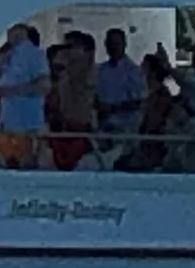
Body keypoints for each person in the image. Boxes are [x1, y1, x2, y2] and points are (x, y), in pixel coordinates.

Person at [0, 24, 51, 169]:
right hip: (7, 120)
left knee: (26, 163)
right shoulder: (7, 56)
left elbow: (44, 86)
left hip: (27, 122)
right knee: (7, 161)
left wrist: (13, 90)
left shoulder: (35, 55)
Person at [47, 30, 98, 170]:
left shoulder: (94, 75)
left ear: (87, 52)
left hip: (82, 134)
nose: (67, 52)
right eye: (65, 47)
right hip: (62, 133)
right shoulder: (63, 78)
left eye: (72, 47)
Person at [93, 29, 146, 159]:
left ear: (124, 44)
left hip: (125, 130)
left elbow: (140, 101)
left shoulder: (134, 71)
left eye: (117, 43)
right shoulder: (100, 70)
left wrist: (113, 108)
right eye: (110, 43)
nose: (113, 47)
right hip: (102, 129)